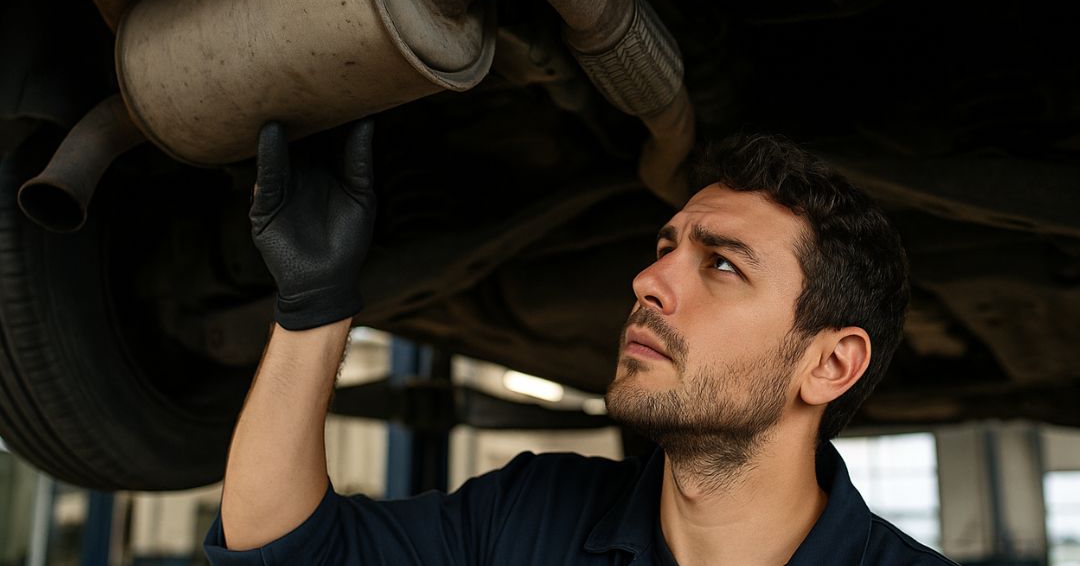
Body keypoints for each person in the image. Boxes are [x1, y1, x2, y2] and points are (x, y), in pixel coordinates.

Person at [202, 120, 957, 566]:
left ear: (830, 364)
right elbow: (284, 551)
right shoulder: (531, 518)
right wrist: (313, 305)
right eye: (666, 246)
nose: (649, 279)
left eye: (721, 265)